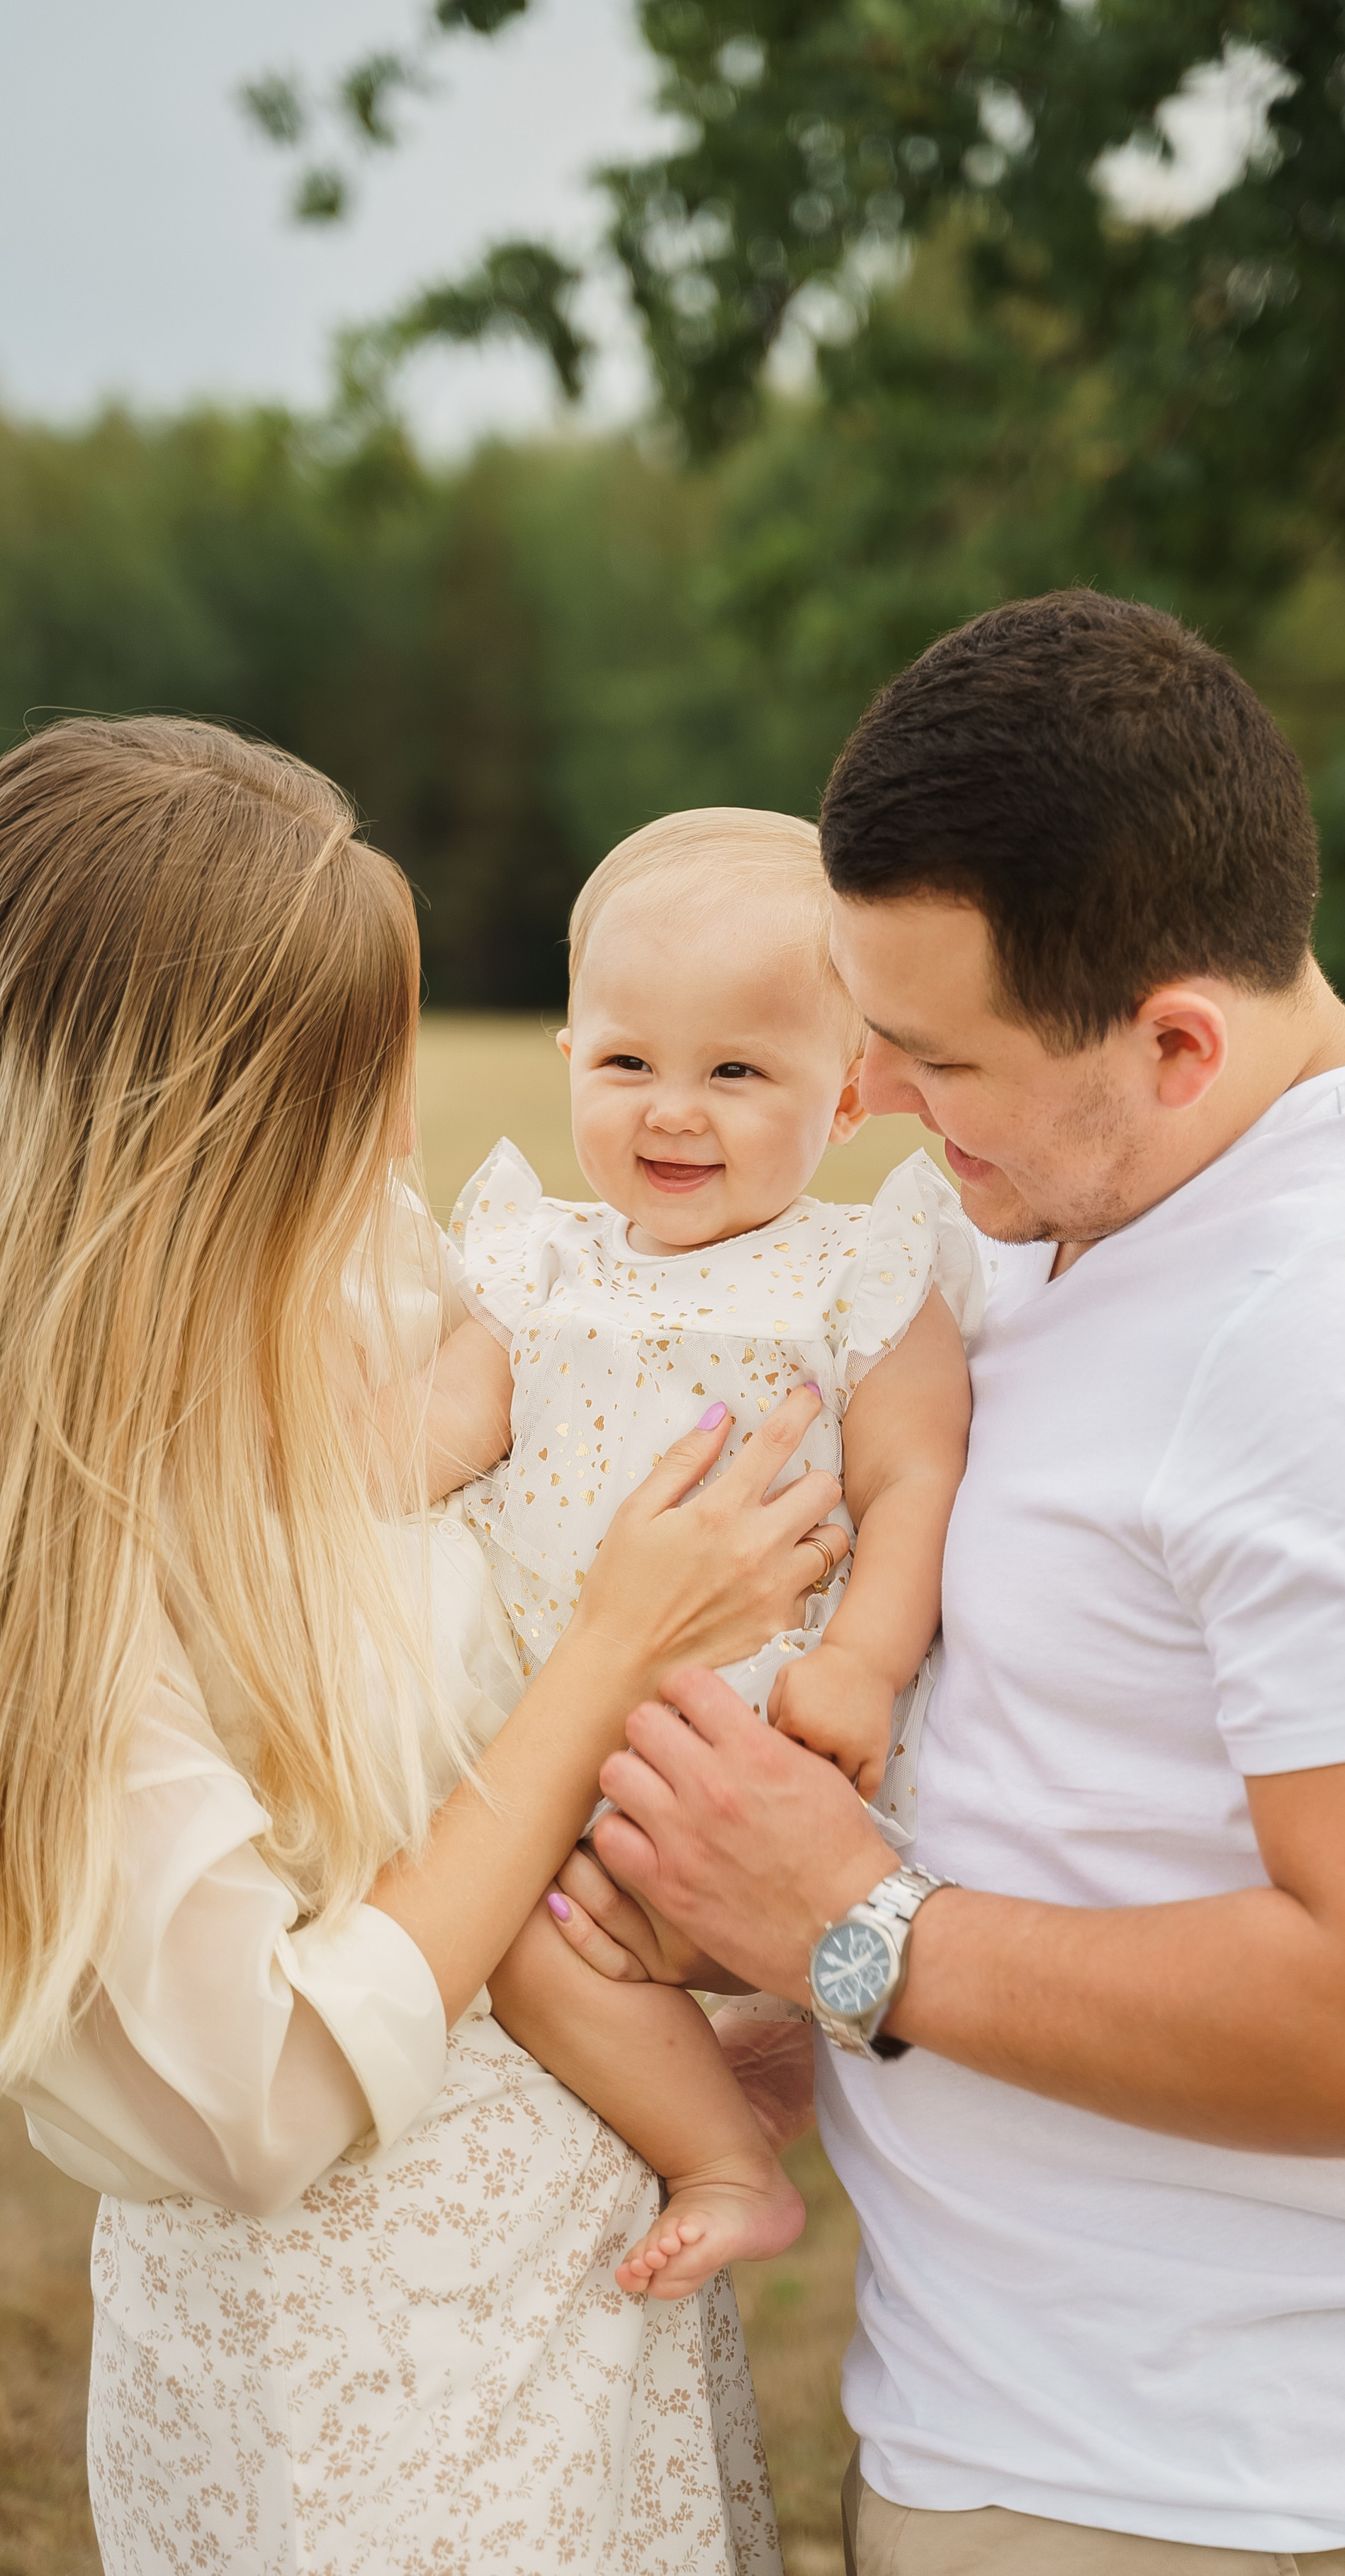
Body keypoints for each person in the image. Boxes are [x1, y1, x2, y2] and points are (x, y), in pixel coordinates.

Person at [548, 592, 1345, 2576]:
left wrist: (850, 1927)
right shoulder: (1073, 1192)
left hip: (1277, 2498)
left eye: (932, 1057)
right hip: (1025, 2433)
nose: (875, 1103)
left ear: (1175, 1040)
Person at [0, 716, 851, 2576]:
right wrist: (614, 1649)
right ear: (186, 1135)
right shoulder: (34, 1549)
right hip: (367, 2391)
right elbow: (264, 2105)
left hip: (583, 2280)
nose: (400, 1140)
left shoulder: (333, 1272)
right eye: (352, 1084)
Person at [421, 807, 984, 2301]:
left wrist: (861, 1662)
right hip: (552, 1725)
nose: (673, 1113)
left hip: (752, 1733)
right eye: (628, 1064)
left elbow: (915, 1477)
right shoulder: (536, 1262)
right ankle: (729, 2127)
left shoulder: (855, 1271)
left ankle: (748, 2108)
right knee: (529, 1933)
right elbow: (442, 1427)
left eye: (736, 1072)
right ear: (568, 1059)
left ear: (847, 1094)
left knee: (633, 1920)